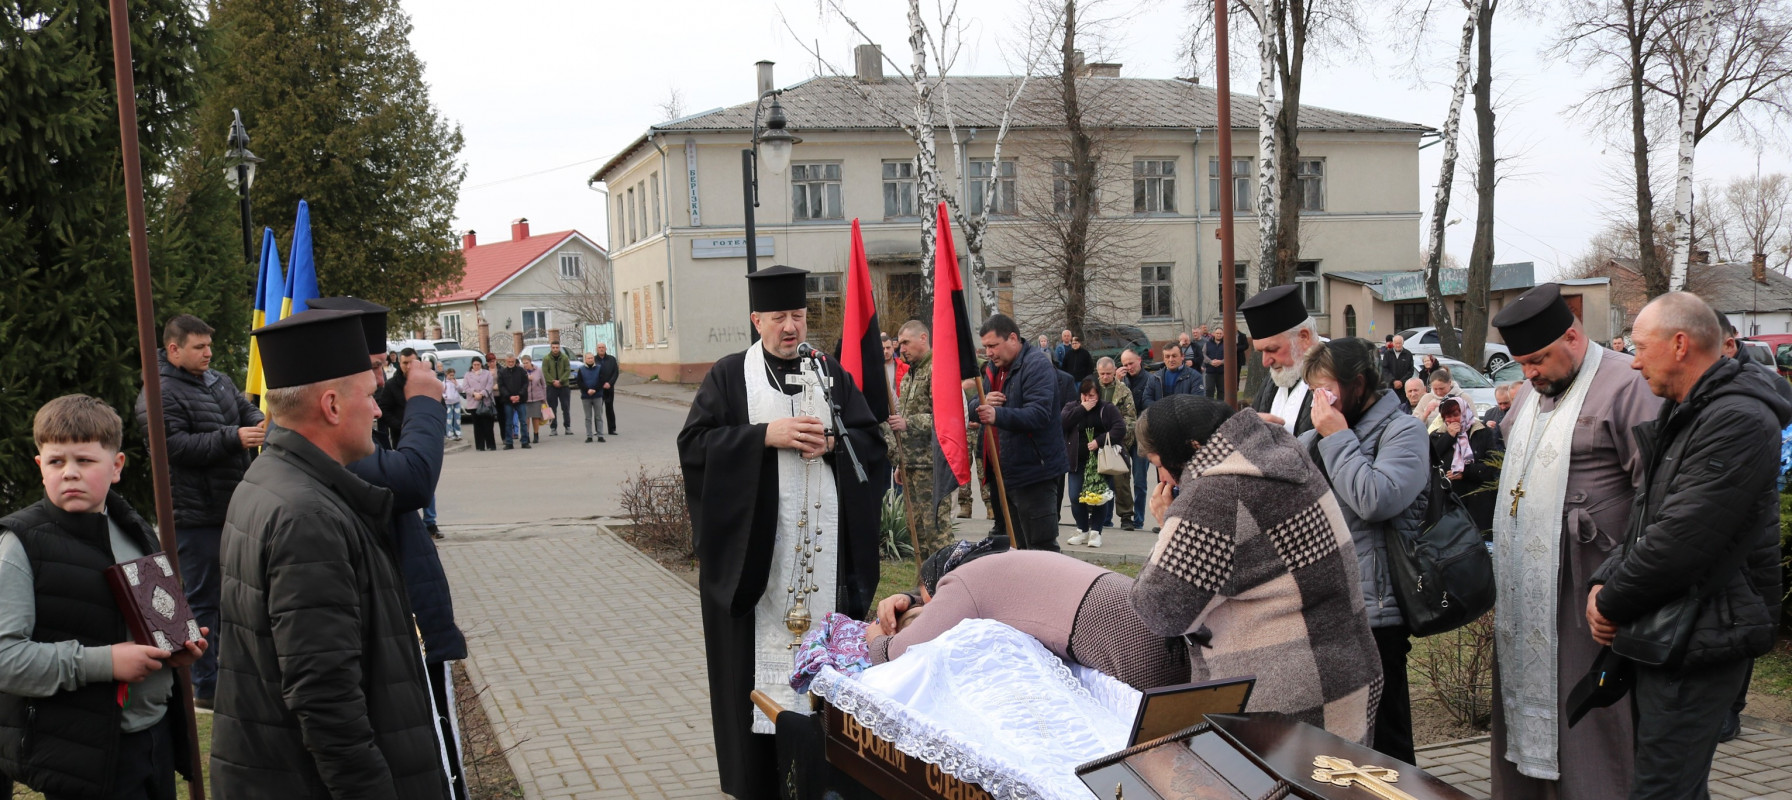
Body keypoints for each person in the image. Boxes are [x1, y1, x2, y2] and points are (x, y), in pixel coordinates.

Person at [213, 309, 446, 798]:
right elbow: (325, 698)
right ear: (333, 405)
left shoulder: (273, 480)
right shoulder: (306, 517)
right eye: (369, 393)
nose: (379, 408)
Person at [677, 265, 888, 800]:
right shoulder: (729, 377)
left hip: (825, 566)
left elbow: (871, 443)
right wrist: (762, 436)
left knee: (826, 690)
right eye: (778, 318)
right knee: (757, 684)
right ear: (757, 320)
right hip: (759, 570)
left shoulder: (828, 373)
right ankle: (761, 784)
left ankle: (825, 780)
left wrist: (836, 448)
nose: (790, 327)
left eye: (797, 315)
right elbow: (695, 447)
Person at [1586, 292, 1787, 800]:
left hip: (1704, 632)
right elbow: (1647, 516)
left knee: (1663, 790)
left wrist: (1610, 601)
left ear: (1679, 344)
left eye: (1640, 347)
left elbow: (1683, 538)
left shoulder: (1736, 419)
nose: (1632, 361)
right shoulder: (1690, 412)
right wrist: (1604, 578)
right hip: (1677, 626)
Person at [1486, 282, 1659, 799]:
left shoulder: (1629, 388)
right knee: (1521, 712)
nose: (1529, 374)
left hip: (1590, 583)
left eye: (1537, 360)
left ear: (1572, 336)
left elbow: (1657, 494)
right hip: (1526, 589)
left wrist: (1620, 578)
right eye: (1521, 364)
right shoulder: (1532, 394)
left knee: (1589, 718)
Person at [1131, 394, 1382, 745]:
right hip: (1348, 672)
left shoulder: (1213, 496)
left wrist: (1168, 523)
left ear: (1188, 448)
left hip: (1283, 700)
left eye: (1159, 462)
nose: (1163, 476)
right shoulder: (1280, 455)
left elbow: (1160, 608)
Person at [0, 396, 209, 799]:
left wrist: (176, 649)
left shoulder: (134, 527)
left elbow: (154, 619)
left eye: (85, 460)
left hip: (155, 738)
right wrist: (104, 662)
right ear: (40, 467)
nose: (70, 474)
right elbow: (6, 660)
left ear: (116, 468)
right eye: (57, 462)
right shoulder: (19, 545)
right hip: (84, 756)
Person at [313, 295, 470, 797]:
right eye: (374, 369)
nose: (380, 387)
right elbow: (412, 480)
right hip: (388, 649)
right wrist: (426, 400)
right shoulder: (327, 448)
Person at [1296, 338, 1429, 763]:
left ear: (1358, 384)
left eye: (1328, 391)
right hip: (1325, 609)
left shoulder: (1403, 431)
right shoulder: (1314, 438)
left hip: (1378, 614)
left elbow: (1376, 499)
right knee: (1337, 750)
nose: (1322, 403)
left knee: (1388, 748)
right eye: (1314, 393)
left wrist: (1337, 437)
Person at [132, 313, 262, 711]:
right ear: (173, 349)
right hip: (192, 515)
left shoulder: (218, 379)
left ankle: (235, 674)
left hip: (231, 506)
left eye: (209, 345)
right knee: (201, 601)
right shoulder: (157, 393)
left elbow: (246, 408)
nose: (208, 353)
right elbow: (172, 447)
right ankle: (205, 686)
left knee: (237, 594)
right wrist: (232, 438)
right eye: (199, 347)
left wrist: (258, 425)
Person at [868, 542, 1189, 691]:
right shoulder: (995, 562)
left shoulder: (962, 582)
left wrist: (873, 634)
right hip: (1157, 624)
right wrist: (910, 597)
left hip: (1137, 650)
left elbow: (898, 654)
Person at [973, 314, 1071, 552]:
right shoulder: (993, 370)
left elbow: (1039, 414)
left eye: (993, 346)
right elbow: (976, 404)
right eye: (985, 347)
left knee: (1041, 549)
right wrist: (982, 404)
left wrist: (998, 415)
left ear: (1013, 338)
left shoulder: (1036, 365)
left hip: (1036, 473)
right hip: (1005, 472)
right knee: (1017, 549)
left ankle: (1050, 590)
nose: (989, 353)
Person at [887, 320, 953, 559]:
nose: (901, 348)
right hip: (912, 464)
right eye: (900, 343)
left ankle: (949, 585)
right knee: (918, 533)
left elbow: (946, 416)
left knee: (937, 531)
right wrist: (900, 462)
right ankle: (926, 587)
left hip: (932, 464)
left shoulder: (937, 369)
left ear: (923, 338)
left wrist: (910, 423)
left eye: (906, 342)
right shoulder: (909, 375)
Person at [1243, 285, 1319, 435]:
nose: (1265, 362)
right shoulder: (1274, 380)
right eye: (1261, 352)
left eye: (1271, 349)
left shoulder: (1338, 377)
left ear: (1304, 337)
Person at [1063, 376, 1124, 548]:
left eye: (1092, 396)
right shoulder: (1072, 407)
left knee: (1099, 498)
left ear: (1098, 394)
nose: (1089, 399)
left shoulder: (1107, 408)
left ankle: (1096, 532)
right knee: (1076, 496)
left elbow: (1120, 428)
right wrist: (1082, 408)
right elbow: (1062, 423)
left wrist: (1100, 440)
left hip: (1101, 461)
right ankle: (1082, 529)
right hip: (1077, 460)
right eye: (1085, 395)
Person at [1430, 397, 1501, 534]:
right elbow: (1432, 459)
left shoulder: (1482, 432)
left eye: (1456, 415)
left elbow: (1492, 466)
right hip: (1449, 501)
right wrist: (1448, 437)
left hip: (1477, 499)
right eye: (1447, 417)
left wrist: (1465, 472)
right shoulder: (1437, 435)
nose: (1452, 420)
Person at [1095, 357, 1140, 530]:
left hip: (1118, 441)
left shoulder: (1123, 391)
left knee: (1121, 481)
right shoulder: (1093, 389)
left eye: (1108, 373)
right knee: (1096, 480)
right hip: (1096, 441)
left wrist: (1119, 436)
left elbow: (1130, 418)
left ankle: (1126, 516)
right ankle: (1097, 515)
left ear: (1114, 372)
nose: (1105, 377)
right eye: (1102, 374)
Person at [1119, 350, 1161, 527]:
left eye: (1131, 363)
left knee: (1140, 480)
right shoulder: (1122, 380)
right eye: (1125, 364)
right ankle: (1124, 517)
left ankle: (1139, 520)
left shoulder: (1150, 380)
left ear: (1139, 360)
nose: (1129, 367)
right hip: (1123, 436)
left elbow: (1151, 407)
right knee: (1120, 480)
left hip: (1141, 437)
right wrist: (1117, 383)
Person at [375, 346, 417, 449]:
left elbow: (439, 406)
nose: (408, 366)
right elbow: (384, 410)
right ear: (399, 363)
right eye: (405, 363)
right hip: (401, 438)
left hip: (424, 436)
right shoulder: (391, 385)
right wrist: (400, 425)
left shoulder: (427, 383)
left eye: (412, 362)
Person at [462, 357, 497, 451]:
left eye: (478, 364)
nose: (476, 366)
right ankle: (480, 446)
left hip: (486, 402)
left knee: (488, 425)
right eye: (474, 365)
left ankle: (491, 445)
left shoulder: (487, 373)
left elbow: (490, 386)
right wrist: (474, 393)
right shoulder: (468, 375)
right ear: (472, 365)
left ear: (481, 364)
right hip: (474, 403)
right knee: (477, 426)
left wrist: (482, 394)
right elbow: (465, 387)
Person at [541, 341, 573, 437]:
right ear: (551, 348)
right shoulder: (546, 358)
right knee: (552, 408)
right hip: (551, 387)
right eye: (553, 347)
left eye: (557, 347)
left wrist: (561, 381)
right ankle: (553, 428)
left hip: (564, 386)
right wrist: (553, 381)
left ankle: (567, 427)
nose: (555, 349)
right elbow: (545, 372)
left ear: (559, 348)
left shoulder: (564, 358)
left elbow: (567, 370)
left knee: (566, 407)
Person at [575, 352, 608, 443]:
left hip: (597, 395)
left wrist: (595, 389)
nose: (590, 359)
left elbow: (602, 380)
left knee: (598, 416)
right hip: (586, 396)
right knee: (588, 417)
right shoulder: (581, 370)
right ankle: (589, 436)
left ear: (594, 359)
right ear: (585, 359)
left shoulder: (599, 368)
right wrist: (587, 390)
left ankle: (600, 435)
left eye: (591, 358)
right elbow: (579, 382)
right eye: (588, 358)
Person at [497, 355, 529, 449]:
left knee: (523, 421)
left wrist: (519, 395)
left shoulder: (521, 371)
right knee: (508, 422)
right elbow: (501, 386)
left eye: (512, 361)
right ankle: (509, 443)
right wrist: (509, 396)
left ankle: (524, 441)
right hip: (508, 400)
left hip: (521, 399)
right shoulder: (502, 372)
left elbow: (525, 384)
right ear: (506, 361)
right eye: (509, 361)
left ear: (515, 361)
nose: (511, 363)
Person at [591, 342, 621, 436]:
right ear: (597, 349)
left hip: (609, 388)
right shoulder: (594, 360)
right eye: (599, 347)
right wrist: (600, 384)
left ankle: (612, 429)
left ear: (606, 348)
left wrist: (610, 383)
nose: (601, 349)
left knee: (610, 408)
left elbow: (615, 373)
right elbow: (592, 374)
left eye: (603, 347)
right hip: (598, 389)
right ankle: (598, 430)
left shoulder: (611, 359)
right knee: (598, 409)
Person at [522, 354, 546, 443]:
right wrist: (526, 377)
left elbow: (543, 384)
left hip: (537, 397)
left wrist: (544, 397)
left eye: (526, 363)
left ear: (530, 362)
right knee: (526, 418)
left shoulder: (538, 370)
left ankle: (536, 435)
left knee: (536, 417)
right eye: (523, 363)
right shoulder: (522, 371)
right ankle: (526, 435)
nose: (525, 365)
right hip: (525, 398)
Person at [1200, 324, 1227, 399]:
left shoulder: (1226, 344)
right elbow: (1203, 354)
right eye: (1217, 333)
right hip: (1210, 371)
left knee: (1222, 391)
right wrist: (1211, 362)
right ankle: (1209, 407)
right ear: (1214, 334)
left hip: (1222, 371)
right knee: (1209, 390)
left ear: (1223, 334)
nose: (1219, 335)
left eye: (1220, 333)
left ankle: (1220, 407)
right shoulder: (1207, 344)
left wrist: (1221, 362)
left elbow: (1229, 356)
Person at [442, 367, 464, 441]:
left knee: (457, 418)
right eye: (450, 375)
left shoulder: (456, 381)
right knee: (449, 419)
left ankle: (458, 433)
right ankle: (450, 434)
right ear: (447, 374)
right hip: (448, 403)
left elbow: (461, 389)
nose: (452, 377)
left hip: (456, 402)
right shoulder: (444, 383)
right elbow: (442, 392)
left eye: (453, 375)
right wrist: (445, 396)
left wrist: (456, 384)